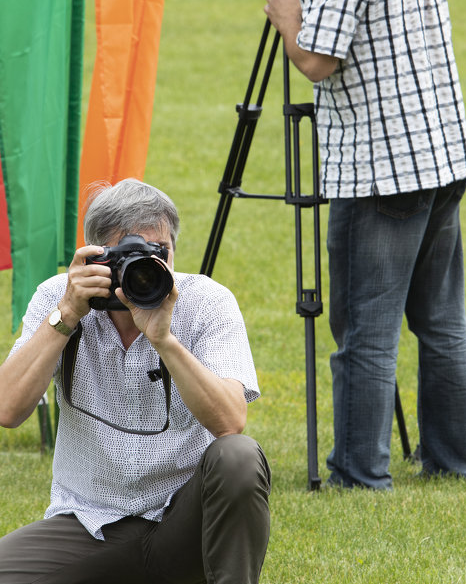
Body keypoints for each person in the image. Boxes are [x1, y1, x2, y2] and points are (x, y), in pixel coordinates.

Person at [264, 0, 466, 490]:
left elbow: (317, 61)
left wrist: (285, 18)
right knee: (440, 321)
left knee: (364, 328)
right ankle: (455, 460)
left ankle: (359, 472)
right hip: (441, 155)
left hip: (381, 169)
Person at [0, 179, 270, 583]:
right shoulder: (59, 296)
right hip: (89, 523)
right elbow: (7, 408)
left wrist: (165, 339)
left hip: (184, 524)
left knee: (239, 457)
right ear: (94, 257)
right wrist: (66, 316)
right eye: (125, 258)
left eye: (156, 255)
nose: (143, 272)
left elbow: (230, 421)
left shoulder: (207, 302)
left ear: (173, 252)